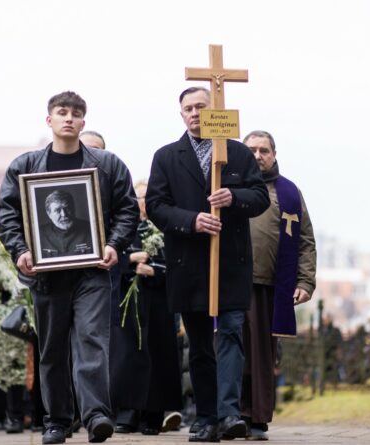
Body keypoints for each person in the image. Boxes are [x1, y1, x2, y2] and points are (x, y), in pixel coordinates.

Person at [0, 91, 138, 444]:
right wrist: (20, 251)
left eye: (76, 113)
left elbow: (128, 209)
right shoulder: (25, 166)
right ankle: (57, 421)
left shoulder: (107, 165)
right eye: (62, 112)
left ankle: (96, 417)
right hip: (46, 275)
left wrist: (113, 244)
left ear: (83, 122)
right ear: (50, 120)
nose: (69, 118)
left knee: (92, 341)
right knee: (52, 347)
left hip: (92, 271)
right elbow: (8, 215)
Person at [145, 86, 269, 442]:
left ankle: (230, 414)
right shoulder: (167, 156)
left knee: (231, 333)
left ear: (215, 109)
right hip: (188, 263)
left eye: (202, 106)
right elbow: (156, 205)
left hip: (231, 262)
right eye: (189, 108)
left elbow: (259, 197)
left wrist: (234, 197)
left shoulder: (237, 152)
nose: (195, 112)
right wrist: (192, 220)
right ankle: (206, 417)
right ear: (180, 114)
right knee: (199, 343)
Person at [241, 130, 317, 440]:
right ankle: (231, 414)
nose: (258, 156)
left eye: (264, 150)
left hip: (271, 287)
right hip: (233, 284)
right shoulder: (228, 187)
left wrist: (305, 281)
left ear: (274, 155)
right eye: (252, 151)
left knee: (261, 358)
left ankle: (256, 418)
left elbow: (306, 240)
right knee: (232, 353)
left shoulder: (289, 193)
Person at [110, 180, 182, 436]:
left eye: (147, 197)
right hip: (130, 300)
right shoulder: (123, 226)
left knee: (158, 355)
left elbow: (178, 265)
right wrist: (130, 261)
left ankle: (154, 414)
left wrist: (154, 271)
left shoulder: (165, 228)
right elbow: (110, 259)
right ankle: (127, 413)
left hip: (159, 301)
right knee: (128, 356)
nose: (142, 202)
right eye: (139, 197)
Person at [38, 190, 93, 258]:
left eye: (67, 208)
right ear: (49, 214)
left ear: (73, 208)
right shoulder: (39, 234)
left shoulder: (91, 229)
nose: (64, 214)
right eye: (57, 210)